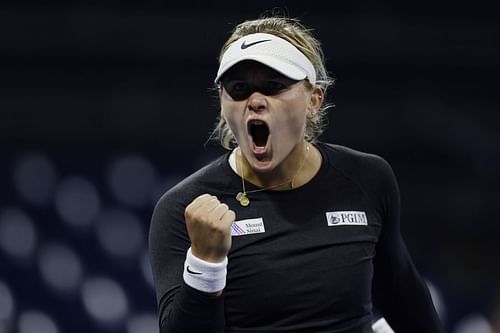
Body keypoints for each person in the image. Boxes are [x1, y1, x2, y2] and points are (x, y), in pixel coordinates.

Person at [149, 14, 444, 333]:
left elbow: (405, 302)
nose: (255, 101)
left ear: (314, 100)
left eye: (274, 86)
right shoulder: (184, 208)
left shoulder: (368, 178)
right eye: (238, 89)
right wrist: (205, 264)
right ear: (222, 105)